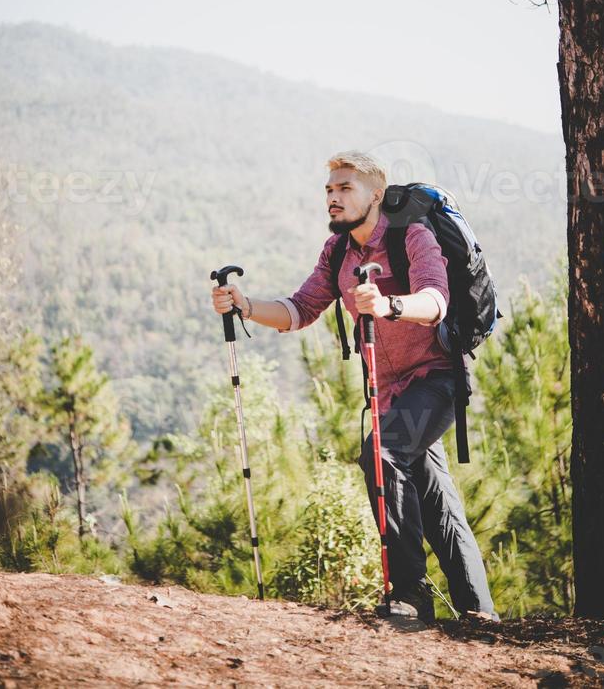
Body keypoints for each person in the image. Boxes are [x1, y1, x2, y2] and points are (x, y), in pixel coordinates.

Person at [211, 150, 497, 623]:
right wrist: (245, 306)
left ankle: (409, 597)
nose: (333, 198)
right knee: (436, 498)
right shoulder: (338, 252)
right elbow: (300, 309)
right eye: (329, 190)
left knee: (382, 452)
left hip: (438, 379)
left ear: (376, 195)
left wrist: (388, 306)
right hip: (391, 393)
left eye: (345, 189)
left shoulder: (412, 236)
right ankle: (479, 612)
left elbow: (436, 301)